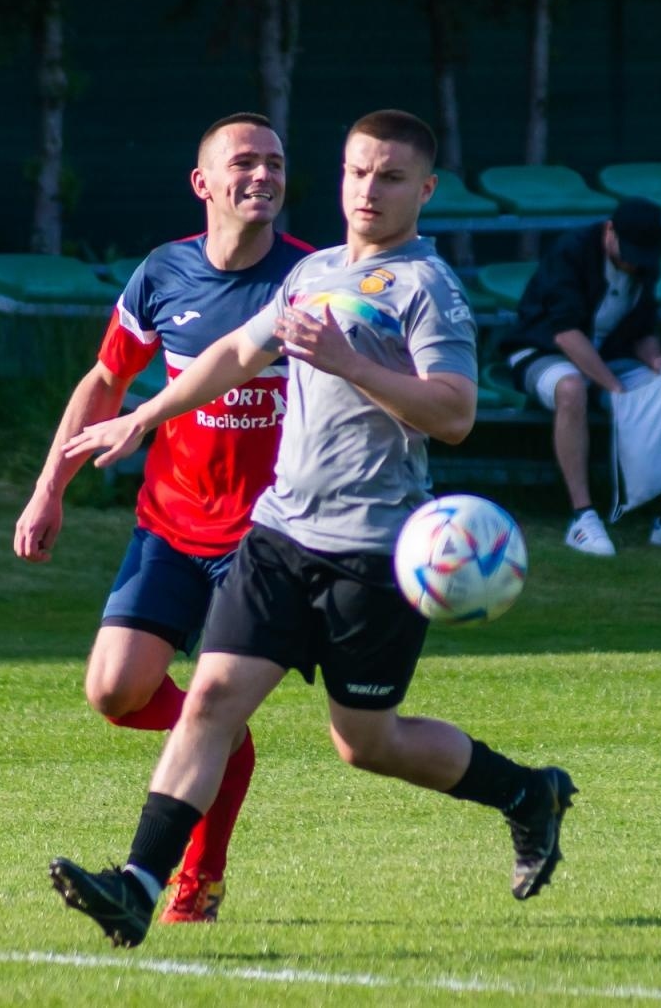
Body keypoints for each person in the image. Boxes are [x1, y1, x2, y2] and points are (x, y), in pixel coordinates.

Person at [46, 109, 577, 949]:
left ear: (425, 191)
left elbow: (457, 413)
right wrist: (141, 416)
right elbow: (230, 356)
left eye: (392, 176)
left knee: (365, 742)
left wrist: (350, 363)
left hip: (372, 553)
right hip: (279, 537)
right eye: (358, 171)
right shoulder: (316, 272)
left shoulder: (426, 287)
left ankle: (526, 794)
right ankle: (139, 885)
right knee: (212, 698)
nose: (370, 189)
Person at [13, 112, 311, 924]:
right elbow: (106, 380)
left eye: (276, 164)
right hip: (170, 529)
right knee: (114, 691)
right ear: (202, 183)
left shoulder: (312, 280)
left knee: (212, 703)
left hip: (265, 543)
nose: (263, 176)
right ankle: (223, 743)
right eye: (244, 163)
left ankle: (197, 882)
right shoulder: (163, 273)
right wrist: (51, 487)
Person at [498, 197, 661, 558]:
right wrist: (613, 387)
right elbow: (565, 332)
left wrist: (655, 359)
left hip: (611, 355)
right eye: (628, 251)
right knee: (570, 389)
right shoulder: (570, 251)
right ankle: (582, 517)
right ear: (610, 231)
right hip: (542, 350)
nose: (633, 263)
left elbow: (643, 329)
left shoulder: (645, 262)